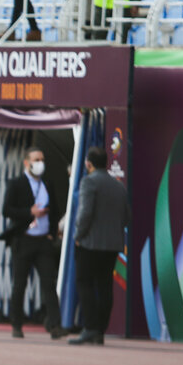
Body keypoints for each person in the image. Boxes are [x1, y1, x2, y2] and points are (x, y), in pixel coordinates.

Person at [0, 146, 66, 339]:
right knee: (19, 284)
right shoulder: (17, 184)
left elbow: (55, 210)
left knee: (49, 284)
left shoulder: (48, 184)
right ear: (27, 163)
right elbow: (7, 210)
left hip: (43, 241)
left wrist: (52, 233)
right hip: (24, 240)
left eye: (42, 159)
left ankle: (55, 325)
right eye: (36, 160)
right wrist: (30, 212)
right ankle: (17, 325)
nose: (40, 163)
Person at [70, 146, 130, 345]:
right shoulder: (119, 186)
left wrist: (78, 235)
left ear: (88, 163)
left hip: (90, 243)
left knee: (84, 283)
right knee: (105, 286)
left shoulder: (89, 182)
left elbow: (85, 213)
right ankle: (100, 331)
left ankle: (90, 327)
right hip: (112, 245)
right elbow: (127, 217)